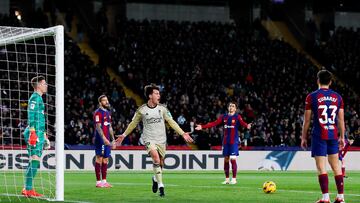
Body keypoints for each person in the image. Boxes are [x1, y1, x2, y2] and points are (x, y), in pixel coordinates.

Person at [116, 84, 193, 197]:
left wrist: (182, 133)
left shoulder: (162, 109)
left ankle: (155, 178)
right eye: (156, 93)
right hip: (148, 139)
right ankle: (161, 186)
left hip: (161, 139)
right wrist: (124, 134)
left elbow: (171, 122)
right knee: (156, 159)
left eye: (159, 93)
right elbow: (133, 123)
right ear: (150, 95)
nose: (159, 95)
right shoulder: (141, 110)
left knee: (161, 163)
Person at [301, 70, 345, 203]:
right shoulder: (338, 97)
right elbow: (341, 120)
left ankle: (326, 198)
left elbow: (307, 120)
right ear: (330, 82)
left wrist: (303, 137)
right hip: (333, 134)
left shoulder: (311, 97)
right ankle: (340, 198)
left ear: (317, 81)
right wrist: (342, 137)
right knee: (336, 166)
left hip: (319, 134)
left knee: (321, 167)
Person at [195, 101, 251, 184]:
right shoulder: (223, 117)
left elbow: (243, 123)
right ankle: (227, 179)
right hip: (226, 142)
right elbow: (214, 123)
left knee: (233, 159)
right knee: (226, 160)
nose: (231, 107)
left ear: (235, 109)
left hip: (234, 141)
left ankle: (234, 179)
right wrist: (202, 126)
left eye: (232, 106)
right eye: (230, 106)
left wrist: (247, 125)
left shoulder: (237, 117)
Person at [22, 76, 50, 197]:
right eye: (44, 83)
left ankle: (27, 188)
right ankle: (28, 189)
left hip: (39, 132)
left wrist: (44, 136)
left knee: (34, 161)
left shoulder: (39, 98)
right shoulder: (34, 97)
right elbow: (31, 114)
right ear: (38, 85)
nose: (46, 85)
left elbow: (41, 119)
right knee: (34, 160)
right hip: (33, 132)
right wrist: (33, 132)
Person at [93, 95, 116, 188]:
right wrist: (104, 139)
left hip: (107, 139)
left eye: (107, 100)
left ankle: (104, 181)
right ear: (100, 102)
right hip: (100, 139)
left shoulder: (108, 113)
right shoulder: (98, 113)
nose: (106, 102)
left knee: (106, 159)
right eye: (104, 100)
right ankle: (98, 182)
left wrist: (113, 139)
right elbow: (98, 127)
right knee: (99, 158)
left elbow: (109, 127)